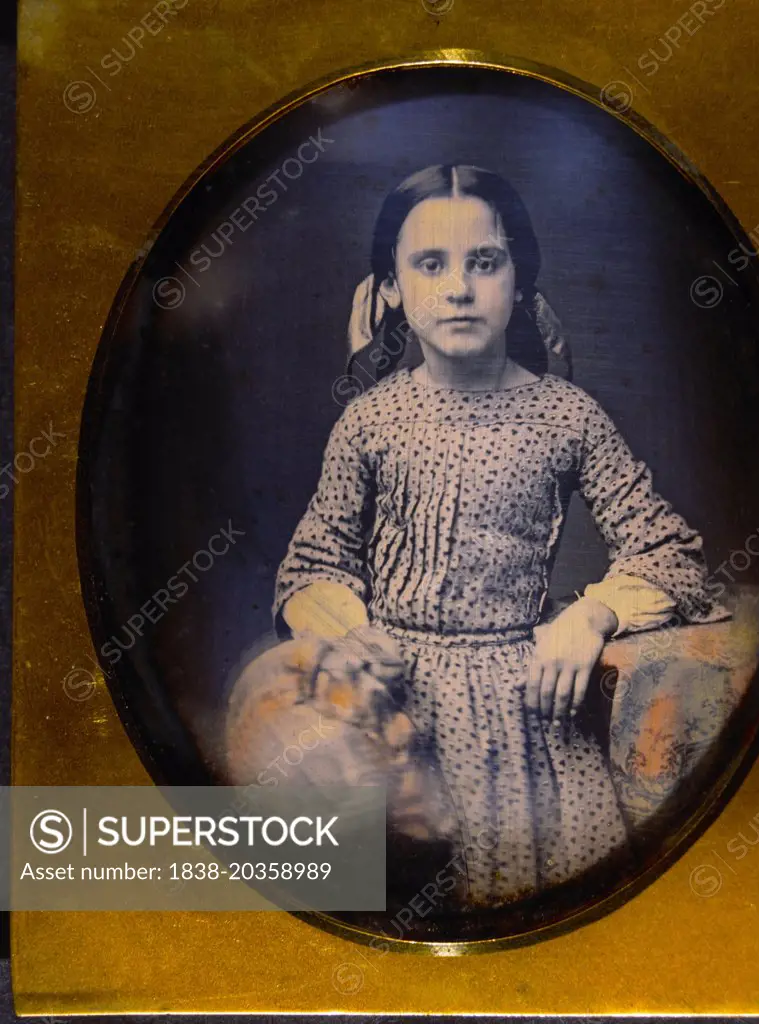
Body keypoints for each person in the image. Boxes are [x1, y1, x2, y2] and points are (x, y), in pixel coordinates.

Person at [272, 164, 729, 908]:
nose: (458, 288)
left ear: (519, 279)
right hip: (397, 717)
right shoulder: (370, 421)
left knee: (536, 927)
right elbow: (313, 562)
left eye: (484, 262)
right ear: (389, 286)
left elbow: (669, 547)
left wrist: (589, 615)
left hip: (525, 725)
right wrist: (354, 637)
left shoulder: (567, 416)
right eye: (430, 264)